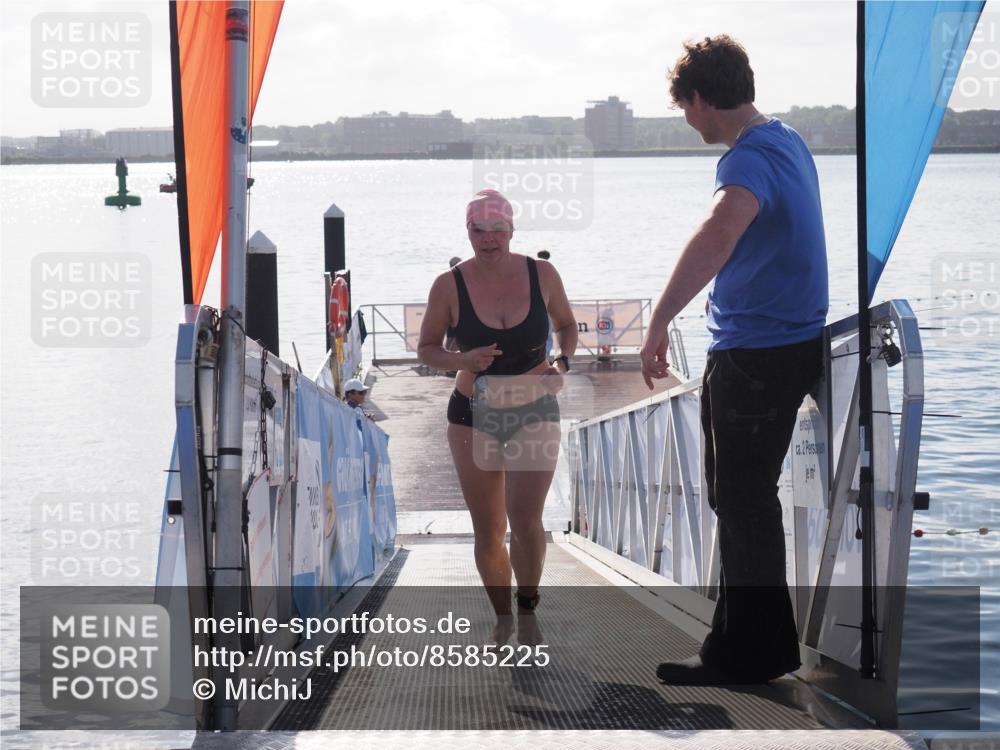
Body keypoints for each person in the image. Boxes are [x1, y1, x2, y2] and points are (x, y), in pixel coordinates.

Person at [640, 35, 828, 685]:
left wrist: (660, 318)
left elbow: (718, 233)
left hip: (755, 353)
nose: (688, 121)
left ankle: (747, 655)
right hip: (786, 345)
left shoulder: (748, 158)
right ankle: (757, 645)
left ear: (701, 99)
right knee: (747, 502)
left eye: (685, 108)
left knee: (742, 502)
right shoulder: (789, 141)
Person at [417, 189, 577, 644]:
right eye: (477, 230)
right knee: (489, 529)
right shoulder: (448, 284)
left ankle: (527, 611)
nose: (488, 239)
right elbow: (427, 348)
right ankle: (502, 618)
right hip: (472, 413)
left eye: (497, 230)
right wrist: (463, 359)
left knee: (526, 519)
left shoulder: (541, 273)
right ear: (467, 231)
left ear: (512, 230)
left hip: (534, 406)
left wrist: (562, 362)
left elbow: (566, 325)